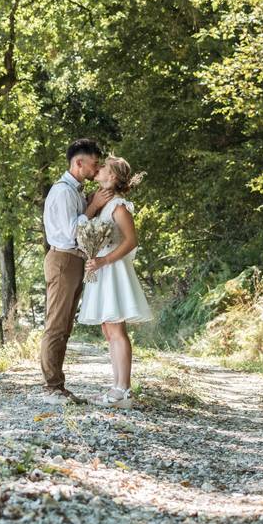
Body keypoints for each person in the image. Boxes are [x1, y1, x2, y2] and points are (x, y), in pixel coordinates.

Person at [40, 138, 113, 404]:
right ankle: (51, 388)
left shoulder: (76, 191)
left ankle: (58, 385)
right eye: (94, 164)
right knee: (56, 325)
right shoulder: (62, 191)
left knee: (65, 325)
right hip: (63, 260)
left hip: (73, 260)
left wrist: (91, 204)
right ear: (78, 162)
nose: (96, 169)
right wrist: (92, 207)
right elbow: (73, 231)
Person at [79, 155, 154, 409]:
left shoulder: (119, 206)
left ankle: (124, 390)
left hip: (112, 269)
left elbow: (131, 241)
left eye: (102, 168)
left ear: (112, 177)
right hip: (101, 267)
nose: (97, 169)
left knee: (117, 329)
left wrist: (104, 260)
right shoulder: (102, 204)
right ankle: (117, 388)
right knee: (108, 330)